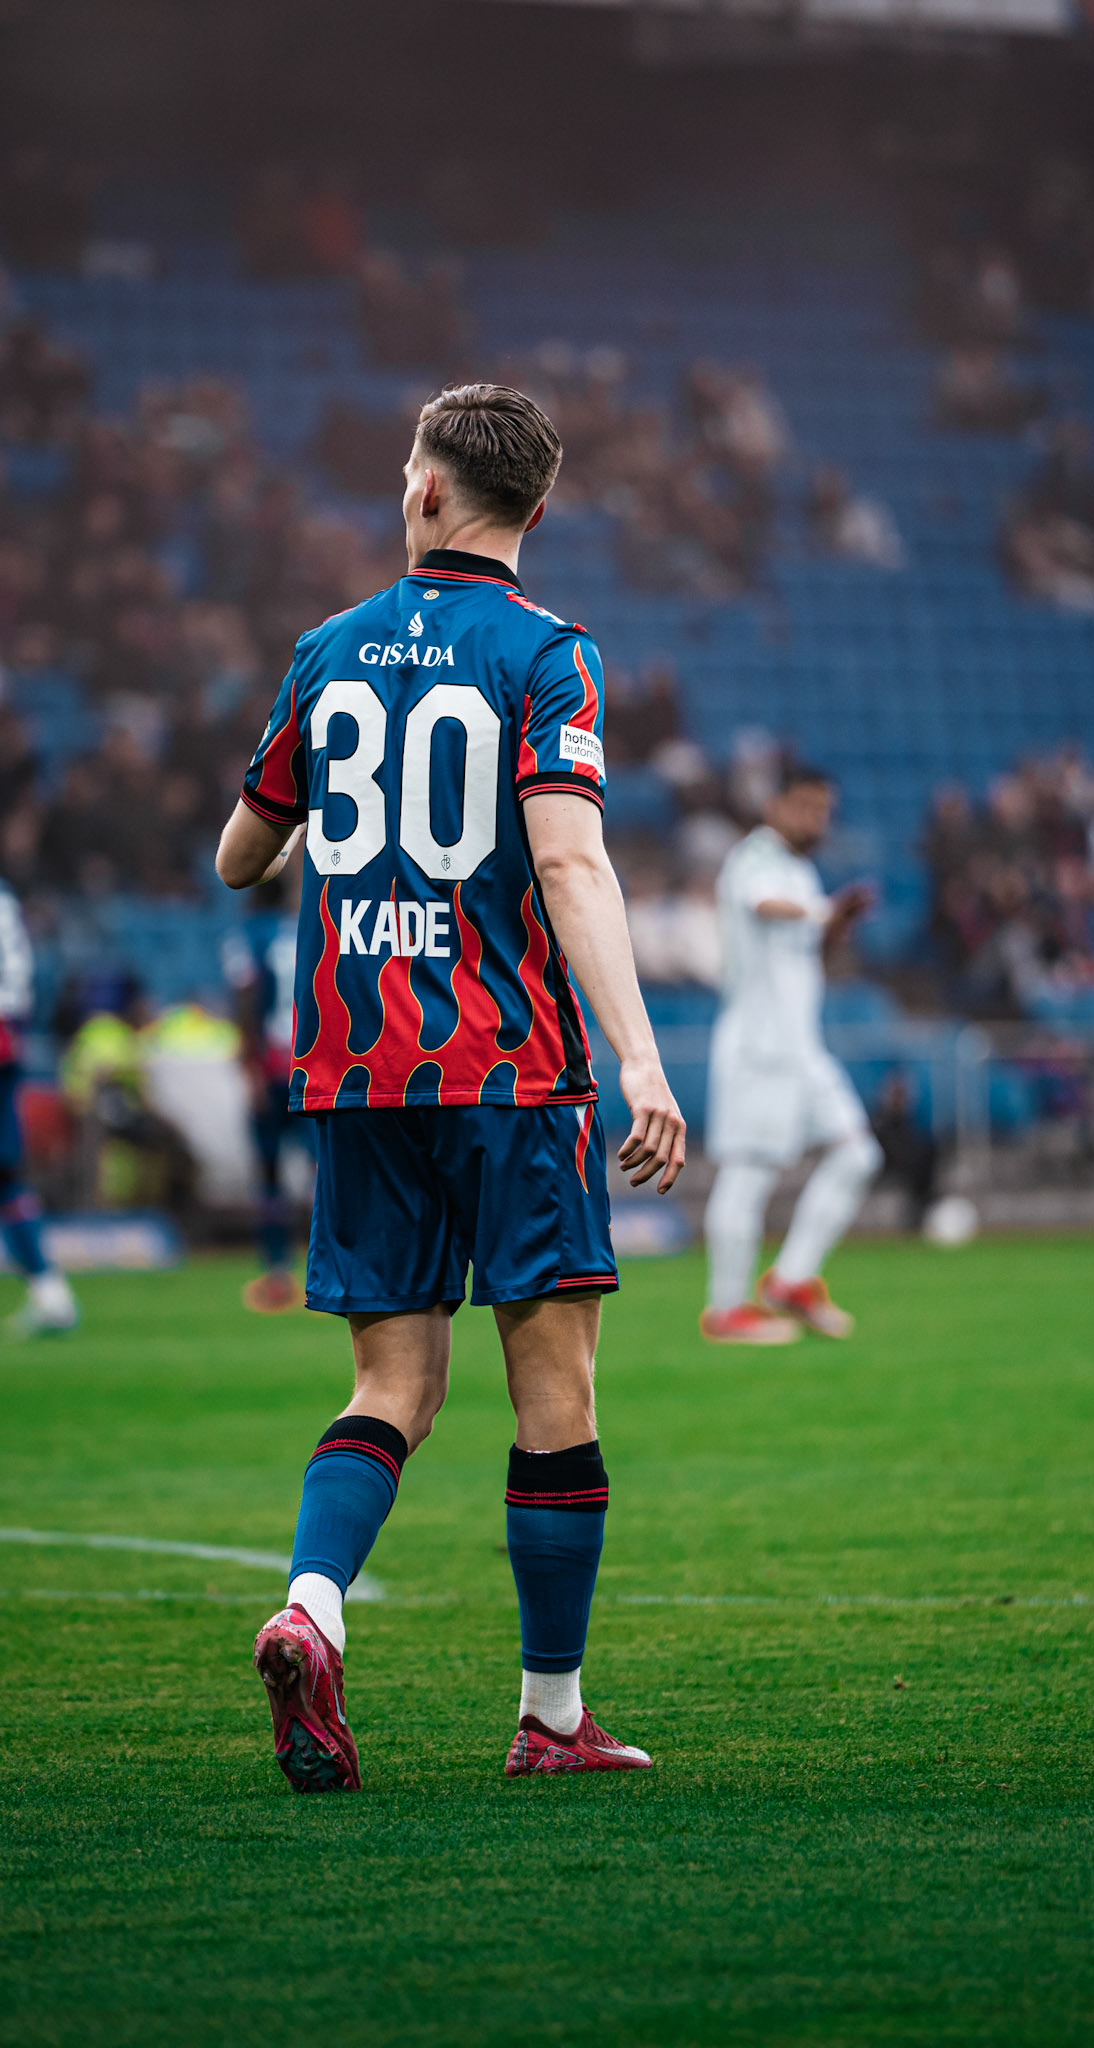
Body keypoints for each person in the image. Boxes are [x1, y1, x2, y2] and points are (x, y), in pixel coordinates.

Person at [216, 382, 684, 1792]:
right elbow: (567, 859)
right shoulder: (550, 656)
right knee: (554, 1388)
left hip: (359, 1072)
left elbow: (242, 856)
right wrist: (642, 1052)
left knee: (390, 1384)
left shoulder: (325, 651)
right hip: (510, 1070)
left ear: (423, 491)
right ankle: (550, 1720)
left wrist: (330, 857)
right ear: (536, 513)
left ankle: (311, 1607)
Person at [701, 769, 882, 1344]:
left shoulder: (802, 871)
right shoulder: (752, 858)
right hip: (759, 1045)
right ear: (773, 805)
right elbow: (765, 905)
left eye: (823, 809)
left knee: (858, 1154)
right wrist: (825, 912)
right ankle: (726, 1308)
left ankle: (792, 1280)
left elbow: (805, 940)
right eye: (804, 806)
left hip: (802, 1046)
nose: (815, 820)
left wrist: (834, 925)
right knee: (749, 1171)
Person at [221, 873, 313, 1313]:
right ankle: (332, 1266)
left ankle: (277, 1273)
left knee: (271, 1172)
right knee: (324, 1171)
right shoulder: (307, 927)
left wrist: (249, 1065)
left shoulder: (247, 937)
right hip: (310, 1065)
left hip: (273, 1067)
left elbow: (246, 995)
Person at [0, 882, 78, 1337]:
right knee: (6, 1174)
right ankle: (49, 1291)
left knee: (6, 1174)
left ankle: (50, 1293)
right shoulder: (8, 899)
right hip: (9, 1036)